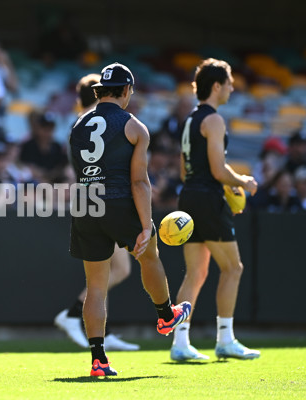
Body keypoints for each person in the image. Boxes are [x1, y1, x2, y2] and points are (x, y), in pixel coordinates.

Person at [68, 62, 191, 377]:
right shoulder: (135, 126)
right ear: (125, 91)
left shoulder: (78, 125)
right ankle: (165, 315)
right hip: (120, 201)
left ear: (99, 92)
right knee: (149, 256)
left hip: (85, 204)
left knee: (95, 286)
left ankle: (99, 360)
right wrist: (146, 224)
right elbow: (139, 182)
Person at [172, 58, 260, 361]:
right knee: (233, 268)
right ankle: (225, 339)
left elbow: (185, 172)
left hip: (189, 197)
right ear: (217, 86)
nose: (233, 89)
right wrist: (243, 181)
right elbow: (219, 170)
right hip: (208, 199)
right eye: (230, 83)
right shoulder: (214, 120)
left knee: (195, 273)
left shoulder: (190, 120)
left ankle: (180, 343)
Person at [54, 73, 139, 352]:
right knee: (116, 270)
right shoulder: (104, 121)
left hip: (87, 199)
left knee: (107, 271)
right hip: (105, 199)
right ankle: (72, 313)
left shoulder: (80, 123)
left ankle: (105, 331)